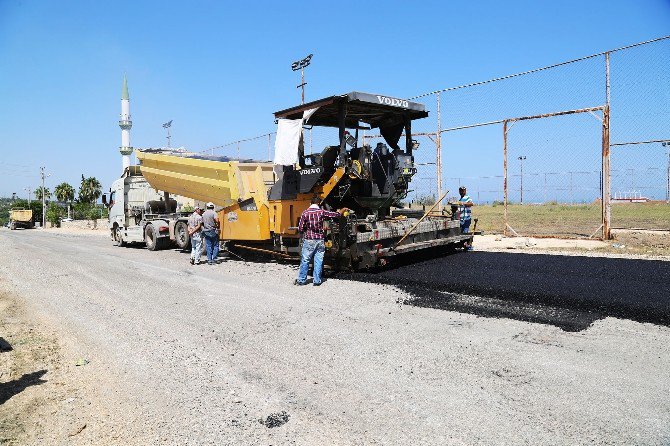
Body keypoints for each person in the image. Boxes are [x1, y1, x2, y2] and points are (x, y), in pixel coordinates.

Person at [294, 196, 345, 286]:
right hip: (320, 240)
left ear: (311, 203)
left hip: (309, 239)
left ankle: (301, 280)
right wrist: (343, 209)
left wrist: (306, 229)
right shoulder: (322, 212)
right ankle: (317, 281)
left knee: (305, 260)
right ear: (319, 204)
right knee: (319, 260)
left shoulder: (305, 213)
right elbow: (336, 215)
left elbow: (300, 228)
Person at [456, 186, 474, 250]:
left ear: (465, 191)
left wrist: (463, 203)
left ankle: (467, 246)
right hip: (461, 219)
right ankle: (463, 245)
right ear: (459, 191)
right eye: (461, 191)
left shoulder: (467, 197)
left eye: (463, 191)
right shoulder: (460, 199)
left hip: (466, 219)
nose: (462, 192)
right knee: (461, 233)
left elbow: (471, 203)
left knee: (465, 233)